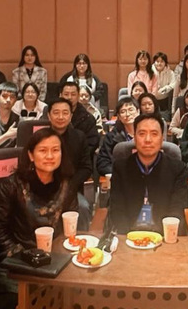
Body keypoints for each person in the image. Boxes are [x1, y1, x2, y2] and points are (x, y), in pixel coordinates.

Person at [0, 128, 76, 309]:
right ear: (30, 155)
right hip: (14, 261)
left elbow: (69, 227)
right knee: (13, 302)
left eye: (55, 150)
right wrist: (20, 257)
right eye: (43, 150)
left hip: (53, 260)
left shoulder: (66, 185)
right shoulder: (13, 185)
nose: (50, 156)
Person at [107, 113, 188, 234]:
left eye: (154, 134)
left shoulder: (178, 169)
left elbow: (176, 210)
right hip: (129, 235)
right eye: (142, 134)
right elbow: (117, 210)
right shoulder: (121, 168)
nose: (148, 140)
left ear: (162, 138)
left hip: (163, 235)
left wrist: (163, 237)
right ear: (134, 138)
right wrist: (126, 238)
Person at [47, 98, 95, 230]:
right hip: (44, 188)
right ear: (49, 116)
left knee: (83, 207)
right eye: (56, 113)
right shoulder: (41, 137)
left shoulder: (79, 137)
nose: (60, 117)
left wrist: (70, 185)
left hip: (71, 187)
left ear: (71, 116)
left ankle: (80, 239)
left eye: (65, 113)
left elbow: (86, 168)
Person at [97, 97, 139, 177]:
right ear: (119, 116)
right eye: (123, 112)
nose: (127, 114)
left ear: (138, 111)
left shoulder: (147, 134)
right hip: (121, 177)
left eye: (131, 110)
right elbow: (103, 163)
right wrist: (119, 174)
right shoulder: (111, 137)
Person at [59, 81, 100, 154]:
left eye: (73, 94)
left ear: (78, 96)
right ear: (60, 95)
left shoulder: (88, 118)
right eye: (66, 94)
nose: (69, 97)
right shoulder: (53, 115)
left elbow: (92, 143)